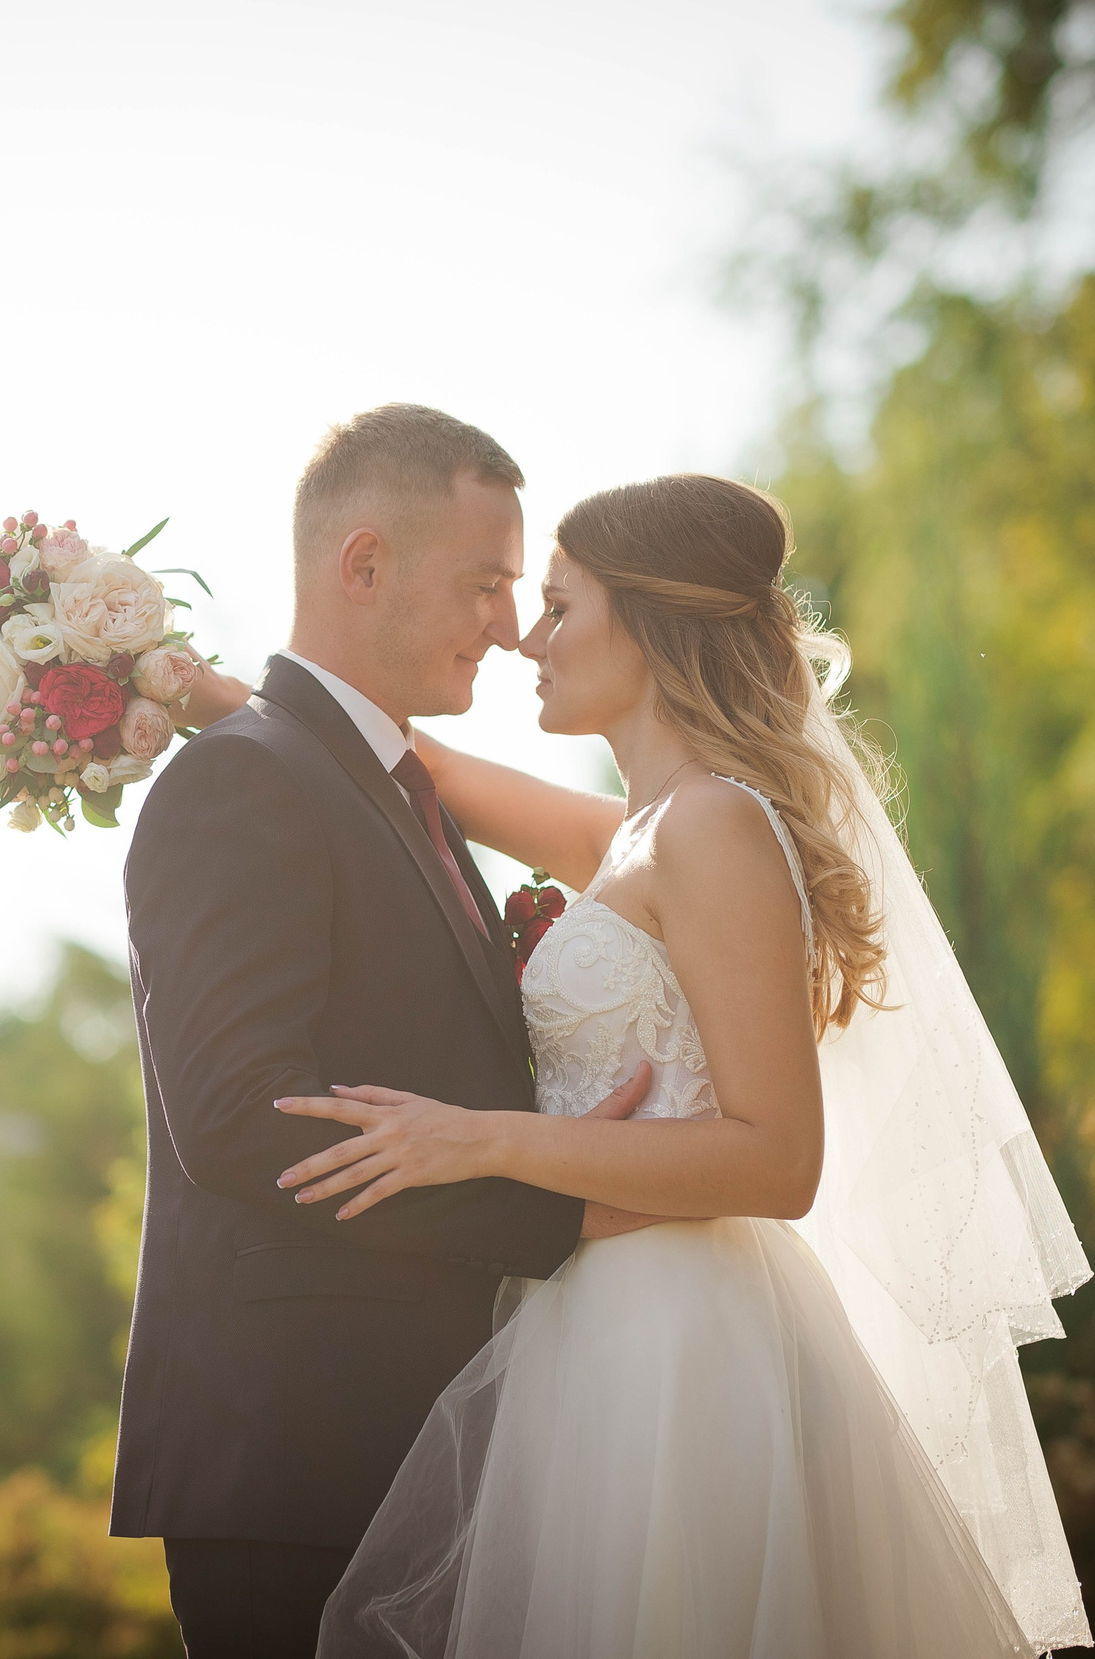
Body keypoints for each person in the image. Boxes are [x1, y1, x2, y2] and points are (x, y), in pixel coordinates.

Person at [266, 474, 1095, 1656]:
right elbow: (420, 773)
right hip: (592, 1318)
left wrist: (484, 1137)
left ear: (651, 623)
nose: (523, 639)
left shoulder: (709, 824)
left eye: (556, 606)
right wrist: (177, 686)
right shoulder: (642, 829)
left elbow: (777, 1157)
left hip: (680, 1343)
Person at [113, 405, 660, 1658]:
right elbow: (250, 1123)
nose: (509, 623)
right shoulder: (239, 778)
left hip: (434, 1441)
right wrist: (561, 1204)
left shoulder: (385, 783)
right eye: (484, 582)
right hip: (301, 1462)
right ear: (364, 565)